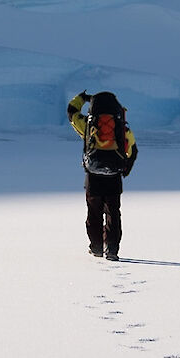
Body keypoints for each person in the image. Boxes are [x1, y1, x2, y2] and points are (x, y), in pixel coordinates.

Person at [67, 90, 138, 261]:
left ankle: (96, 248)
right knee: (113, 213)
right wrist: (125, 170)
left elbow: (71, 113)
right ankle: (112, 250)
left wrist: (82, 98)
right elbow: (133, 150)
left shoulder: (88, 125)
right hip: (114, 176)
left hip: (93, 177)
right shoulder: (121, 128)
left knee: (94, 213)